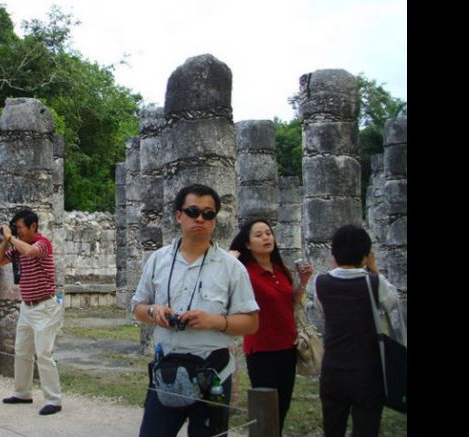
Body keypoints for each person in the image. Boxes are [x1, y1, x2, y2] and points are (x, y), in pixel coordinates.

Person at [131, 184, 260, 436]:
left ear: (214, 220)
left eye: (208, 214)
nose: (200, 218)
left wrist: (214, 321)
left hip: (214, 373)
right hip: (167, 370)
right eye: (193, 211)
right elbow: (137, 308)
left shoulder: (232, 268)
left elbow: (252, 322)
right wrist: (154, 311)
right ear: (179, 215)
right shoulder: (158, 260)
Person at [314, 224, 407, 437]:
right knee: (366, 427)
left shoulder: (322, 282)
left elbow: (322, 309)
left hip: (333, 370)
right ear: (365, 255)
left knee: (332, 426)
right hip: (367, 371)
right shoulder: (374, 283)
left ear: (334, 253)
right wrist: (374, 269)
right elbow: (392, 302)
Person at [228, 219, 313, 435]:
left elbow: (290, 302)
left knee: (282, 408)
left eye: (268, 233)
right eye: (259, 235)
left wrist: (302, 282)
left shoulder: (280, 269)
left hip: (288, 346)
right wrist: (230, 261)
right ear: (247, 244)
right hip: (261, 350)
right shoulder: (244, 272)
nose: (266, 237)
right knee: (266, 410)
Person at [0, 209, 64, 416]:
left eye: (20, 227)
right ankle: (22, 393)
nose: (18, 231)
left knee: (43, 353)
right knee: (22, 350)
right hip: (27, 306)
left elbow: (31, 252)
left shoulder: (43, 243)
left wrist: (11, 238)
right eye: (15, 228)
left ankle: (53, 399)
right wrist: (6, 241)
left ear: (33, 226)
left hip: (45, 306)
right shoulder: (18, 246)